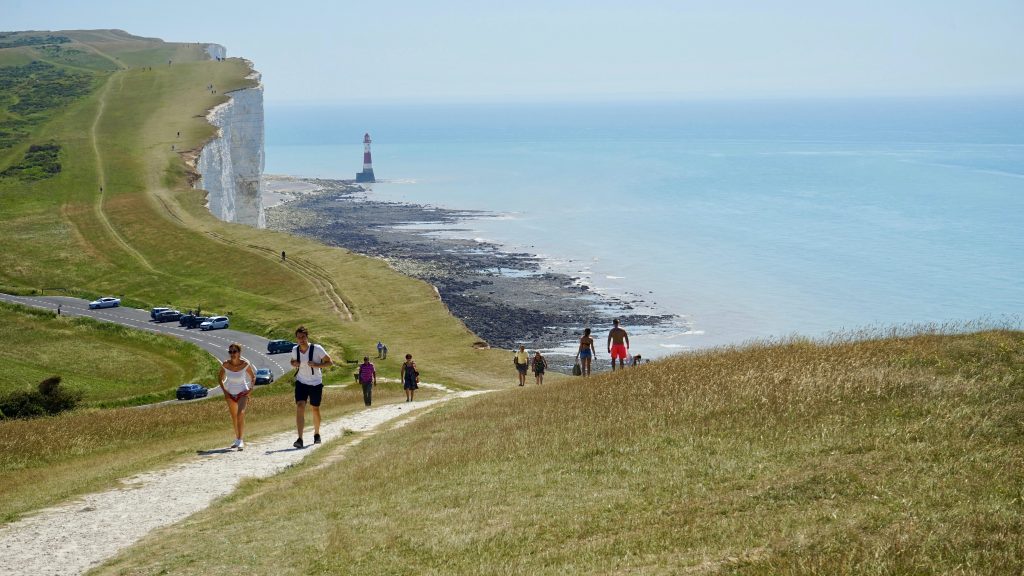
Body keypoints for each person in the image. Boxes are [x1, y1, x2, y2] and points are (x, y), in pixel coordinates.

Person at [291, 326, 332, 448]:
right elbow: (292, 362)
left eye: (303, 337)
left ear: (307, 337)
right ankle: (300, 438)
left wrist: (316, 365)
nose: (301, 340)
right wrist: (294, 364)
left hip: (315, 383)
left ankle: (317, 434)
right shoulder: (295, 350)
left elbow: (330, 362)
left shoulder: (317, 349)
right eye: (299, 338)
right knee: (300, 406)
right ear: (296, 339)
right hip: (301, 382)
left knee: (315, 408)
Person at [219, 342, 256, 450]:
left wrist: (250, 389)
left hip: (242, 393)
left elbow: (253, 377)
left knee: (241, 413)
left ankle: (240, 440)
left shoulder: (245, 364)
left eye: (234, 351)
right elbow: (219, 378)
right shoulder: (225, 364)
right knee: (234, 417)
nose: (232, 354)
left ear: (239, 353)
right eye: (230, 352)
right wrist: (225, 391)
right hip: (230, 394)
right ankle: (237, 439)